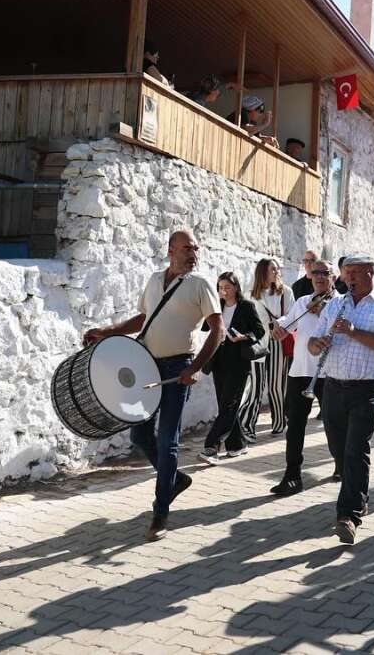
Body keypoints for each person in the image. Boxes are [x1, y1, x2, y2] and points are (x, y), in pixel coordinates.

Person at [83, 229, 223, 541]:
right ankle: (174, 480)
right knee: (139, 434)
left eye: (196, 248)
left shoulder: (200, 285)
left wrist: (195, 368)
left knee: (167, 440)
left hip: (178, 369)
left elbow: (218, 330)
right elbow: (144, 320)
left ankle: (160, 512)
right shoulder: (153, 280)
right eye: (187, 248)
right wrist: (107, 331)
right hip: (146, 366)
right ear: (171, 250)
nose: (193, 253)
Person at [307, 253, 374, 545]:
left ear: (370, 274)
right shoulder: (335, 304)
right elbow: (313, 343)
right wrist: (316, 344)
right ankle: (358, 498)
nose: (348, 279)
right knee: (339, 451)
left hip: (367, 388)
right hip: (333, 387)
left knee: (354, 451)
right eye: (346, 274)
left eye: (355, 274)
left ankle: (347, 515)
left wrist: (353, 331)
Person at [269, 260, 336, 495]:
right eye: (315, 272)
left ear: (333, 278)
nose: (319, 277)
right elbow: (287, 325)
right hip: (300, 371)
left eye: (324, 273)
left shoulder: (339, 303)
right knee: (295, 425)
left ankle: (341, 463)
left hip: (329, 373)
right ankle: (292, 475)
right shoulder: (302, 302)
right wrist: (278, 330)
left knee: (334, 423)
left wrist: (324, 312)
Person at [198, 272, 266, 464]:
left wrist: (243, 337)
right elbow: (206, 327)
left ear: (236, 287)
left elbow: (259, 331)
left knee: (229, 404)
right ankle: (237, 444)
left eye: (227, 287)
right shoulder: (217, 306)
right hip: (218, 360)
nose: (224, 291)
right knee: (226, 404)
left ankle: (211, 446)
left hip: (238, 360)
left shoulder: (246, 306)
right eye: (220, 288)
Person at [240, 258, 296, 439]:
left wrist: (280, 325)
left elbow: (293, 317)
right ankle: (247, 428)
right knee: (256, 386)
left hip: (277, 342)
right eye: (273, 268)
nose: (277, 271)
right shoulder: (250, 294)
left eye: (278, 268)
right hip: (258, 344)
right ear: (263, 271)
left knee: (276, 386)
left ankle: (280, 423)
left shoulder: (285, 292)